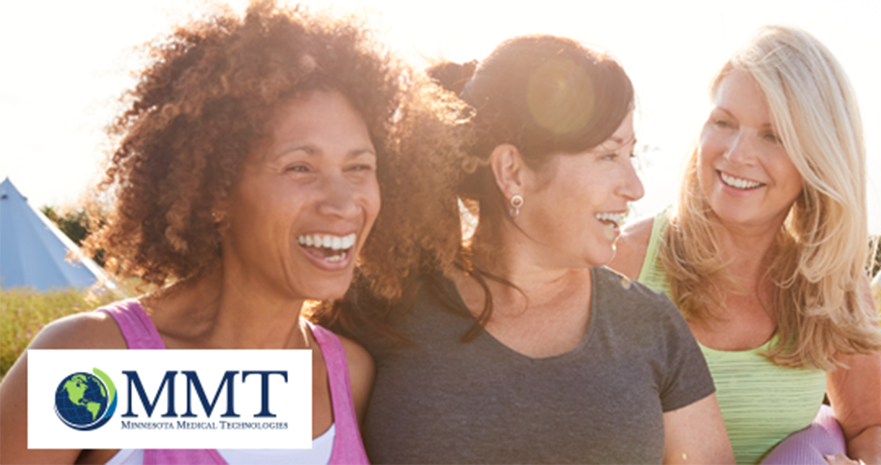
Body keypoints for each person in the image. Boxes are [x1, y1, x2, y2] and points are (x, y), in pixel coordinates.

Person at [0, 1, 465, 463]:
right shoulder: (91, 364)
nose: (343, 204)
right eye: (299, 166)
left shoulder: (347, 375)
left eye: (359, 167)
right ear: (216, 192)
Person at [331, 35, 734, 464]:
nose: (634, 187)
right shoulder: (381, 305)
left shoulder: (651, 324)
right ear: (512, 171)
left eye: (630, 154)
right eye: (607, 156)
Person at [608, 25, 881, 465]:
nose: (736, 154)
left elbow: (867, 428)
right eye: (723, 123)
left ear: (819, 157)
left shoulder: (832, 285)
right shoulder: (625, 261)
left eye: (774, 135)